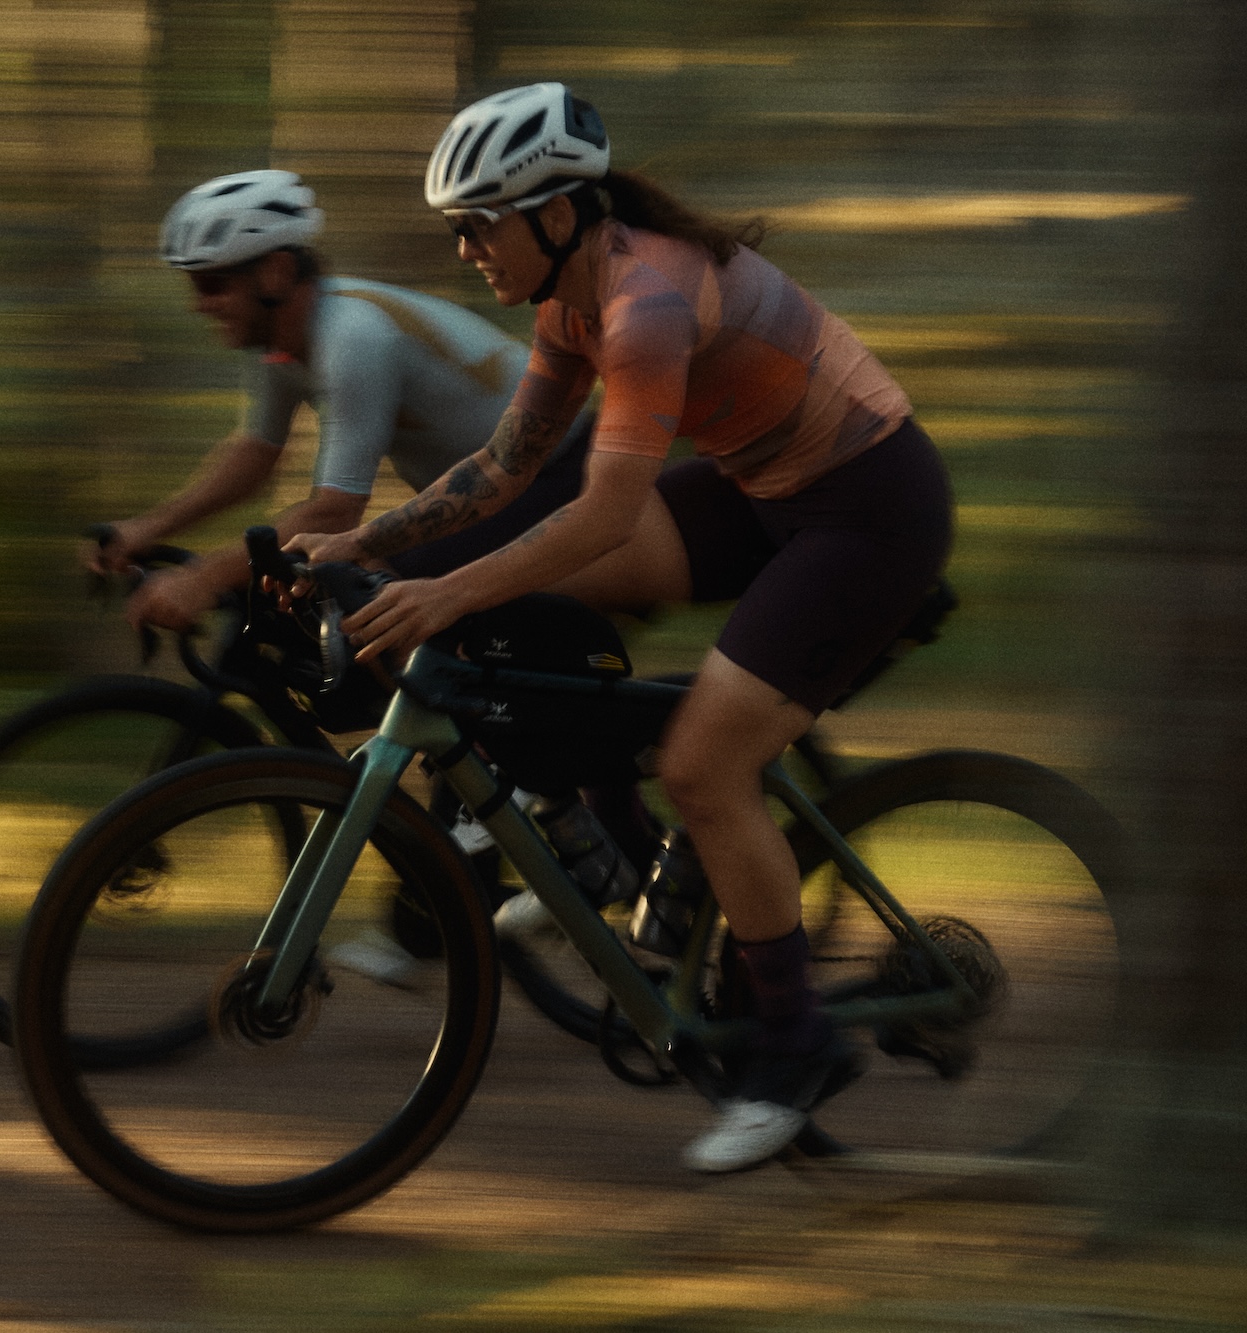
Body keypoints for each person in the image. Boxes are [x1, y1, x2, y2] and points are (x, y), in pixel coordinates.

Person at [289, 83, 954, 1174]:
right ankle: (612, 852)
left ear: (555, 214)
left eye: (476, 225)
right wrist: (371, 545)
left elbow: (597, 513)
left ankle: (793, 1047)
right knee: (556, 597)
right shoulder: (569, 300)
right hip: (763, 489)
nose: (463, 251)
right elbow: (505, 468)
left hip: (867, 510)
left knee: (702, 760)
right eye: (454, 229)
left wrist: (446, 594)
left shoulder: (644, 302)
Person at [86, 169, 593, 634]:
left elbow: (335, 514)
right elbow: (256, 453)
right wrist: (148, 528)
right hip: (491, 493)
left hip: (560, 475)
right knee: (343, 597)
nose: (199, 304)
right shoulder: (281, 342)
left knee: (376, 597)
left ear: (277, 273)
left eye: (212, 283)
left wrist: (203, 579)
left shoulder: (352, 337)